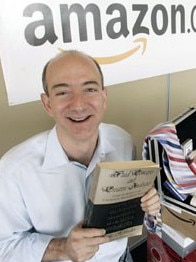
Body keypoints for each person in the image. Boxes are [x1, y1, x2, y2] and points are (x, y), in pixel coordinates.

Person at [0, 50, 160, 262]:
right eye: (63, 92)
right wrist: (61, 249)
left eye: (90, 89)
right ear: (48, 104)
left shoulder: (123, 141)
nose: (78, 105)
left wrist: (148, 205)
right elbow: (4, 247)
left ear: (104, 97)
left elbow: (129, 207)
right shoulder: (14, 170)